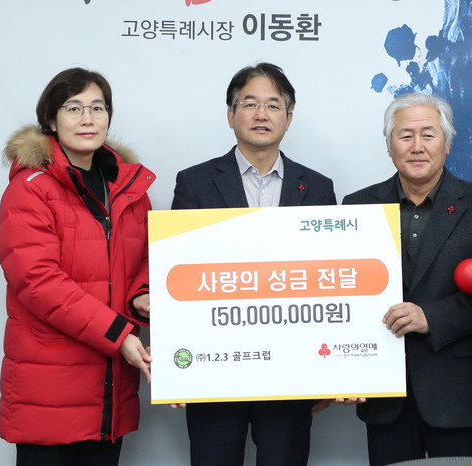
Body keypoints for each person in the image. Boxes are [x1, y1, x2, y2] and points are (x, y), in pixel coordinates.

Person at [171, 62, 336, 466]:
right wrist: (180, 367)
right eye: (249, 103)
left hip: (292, 372)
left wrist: (331, 371)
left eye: (273, 105)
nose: (262, 114)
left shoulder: (317, 188)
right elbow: (181, 275)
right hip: (214, 370)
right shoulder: (194, 183)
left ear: (288, 118)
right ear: (231, 115)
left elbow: (329, 282)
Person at [0, 67, 155, 466]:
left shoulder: (129, 189)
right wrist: (119, 334)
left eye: (98, 108)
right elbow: (38, 282)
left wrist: (141, 295)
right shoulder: (30, 190)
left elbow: (147, 258)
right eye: (74, 108)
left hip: (108, 392)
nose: (88, 118)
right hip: (48, 391)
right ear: (51, 120)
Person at [341, 93, 472, 465]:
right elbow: (342, 293)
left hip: (458, 392)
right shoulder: (357, 206)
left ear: (447, 143)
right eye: (405, 136)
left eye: (428, 135)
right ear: (389, 146)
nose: (417, 146)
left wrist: (429, 317)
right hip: (383, 393)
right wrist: (343, 369)